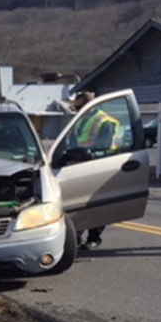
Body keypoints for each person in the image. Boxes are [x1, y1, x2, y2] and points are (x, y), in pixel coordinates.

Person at [71, 91, 116, 250]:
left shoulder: (105, 121)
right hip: (79, 166)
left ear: (89, 106)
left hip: (98, 167)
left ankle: (94, 238)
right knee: (78, 204)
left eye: (79, 107)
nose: (76, 110)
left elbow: (103, 146)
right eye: (75, 108)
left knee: (96, 205)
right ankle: (76, 236)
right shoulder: (80, 120)